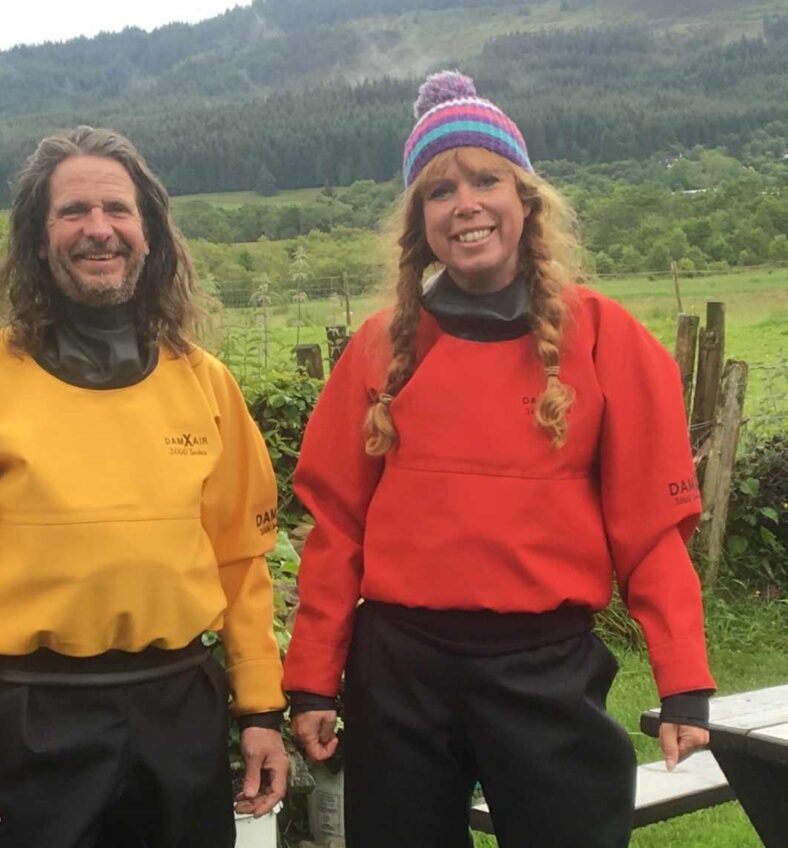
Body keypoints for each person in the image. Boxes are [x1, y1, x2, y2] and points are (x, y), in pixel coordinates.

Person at [282, 72, 713, 848]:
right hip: (400, 673)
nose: (465, 204)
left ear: (526, 200)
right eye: (440, 190)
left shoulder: (606, 340)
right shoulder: (380, 349)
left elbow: (653, 528)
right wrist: (313, 678)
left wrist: (683, 681)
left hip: (545, 667)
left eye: (486, 180)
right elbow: (336, 528)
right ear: (419, 220)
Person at [0, 126, 288, 848]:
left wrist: (260, 709)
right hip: (30, 719)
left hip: (180, 712)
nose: (99, 228)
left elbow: (241, 562)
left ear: (150, 234)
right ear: (38, 240)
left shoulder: (205, 383)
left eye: (117, 209)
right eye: (73, 211)